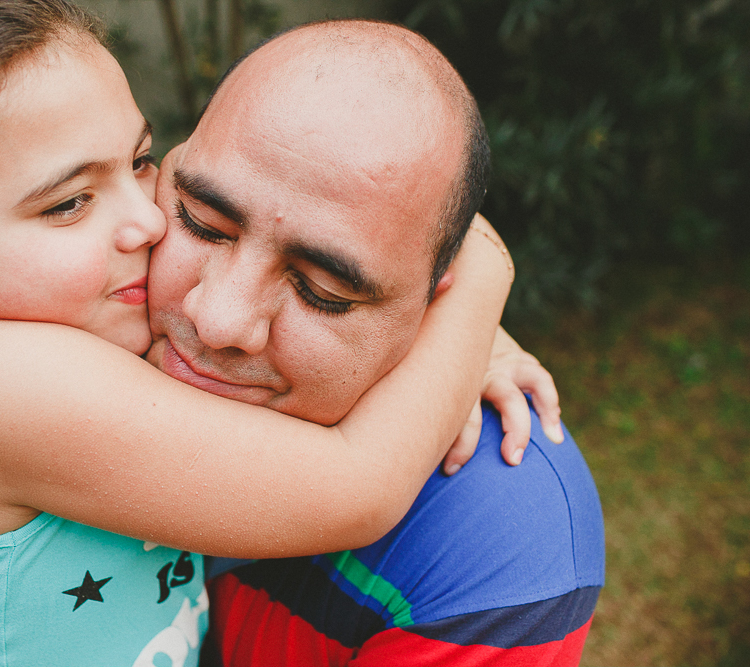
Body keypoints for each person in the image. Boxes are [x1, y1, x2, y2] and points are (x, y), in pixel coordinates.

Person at [0, 1, 542, 665]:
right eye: (68, 203)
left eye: (140, 161)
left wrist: (436, 324)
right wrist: (479, 275)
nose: (147, 219)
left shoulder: (39, 331)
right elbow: (358, 485)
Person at [140, 20, 605, 667]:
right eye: (201, 222)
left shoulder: (497, 543)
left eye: (323, 290)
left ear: (433, 300)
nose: (217, 319)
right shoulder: (62, 294)